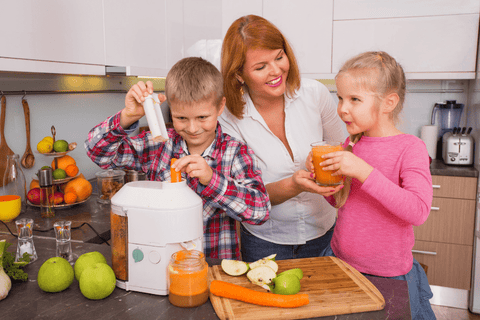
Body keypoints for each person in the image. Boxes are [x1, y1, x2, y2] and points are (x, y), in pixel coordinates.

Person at [85, 57, 270, 260]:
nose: (192, 128)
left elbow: (260, 211)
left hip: (214, 271)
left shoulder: (235, 153)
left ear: (219, 107)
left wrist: (211, 180)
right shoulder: (158, 145)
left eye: (202, 118)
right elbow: (97, 152)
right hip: (163, 267)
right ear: (170, 109)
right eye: (181, 118)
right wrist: (128, 116)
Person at [309, 51, 435, 319]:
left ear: (389, 102)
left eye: (355, 99)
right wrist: (322, 179)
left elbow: (418, 210)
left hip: (388, 275)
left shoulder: (410, 148)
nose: (343, 108)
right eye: (340, 98)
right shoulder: (350, 144)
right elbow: (340, 201)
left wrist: (365, 172)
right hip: (340, 262)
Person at [218, 15, 345, 262]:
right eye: (260, 66)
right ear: (239, 75)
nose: (276, 71)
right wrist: (295, 183)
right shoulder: (228, 118)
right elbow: (243, 196)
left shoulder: (314, 94)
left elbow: (342, 151)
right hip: (264, 243)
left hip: (325, 233)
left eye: (279, 57)